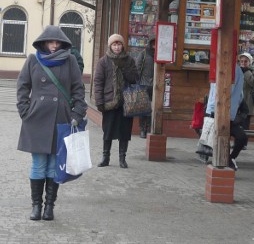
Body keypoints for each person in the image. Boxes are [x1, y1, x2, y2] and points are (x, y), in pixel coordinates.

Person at [16, 25, 87, 221]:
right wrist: (25, 111)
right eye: (50, 42)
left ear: (63, 43)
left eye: (57, 42)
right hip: (36, 119)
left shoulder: (70, 60)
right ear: (44, 43)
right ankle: (36, 207)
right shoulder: (33, 60)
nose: (54, 45)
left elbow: (78, 90)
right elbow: (22, 86)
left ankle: (49, 207)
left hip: (61, 119)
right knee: (38, 164)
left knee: (54, 166)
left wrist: (77, 114)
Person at [93, 34, 139, 168]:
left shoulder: (129, 60)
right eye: (114, 44)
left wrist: (125, 69)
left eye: (119, 44)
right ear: (110, 46)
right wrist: (99, 101)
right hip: (109, 102)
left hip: (126, 103)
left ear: (123, 46)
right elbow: (98, 82)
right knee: (107, 131)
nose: (117, 47)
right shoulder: (104, 61)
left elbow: (135, 78)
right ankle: (105, 157)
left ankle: (122, 159)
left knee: (124, 132)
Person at [205, 63, 247, 171]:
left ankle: (230, 159)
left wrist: (238, 118)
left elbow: (243, 105)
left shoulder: (234, 71)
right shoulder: (226, 69)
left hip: (229, 116)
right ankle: (227, 161)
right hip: (217, 113)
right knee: (222, 137)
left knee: (242, 137)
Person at [135, 35, 156, 138]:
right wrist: (138, 82)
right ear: (150, 43)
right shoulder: (143, 54)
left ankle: (148, 128)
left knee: (152, 109)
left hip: (155, 87)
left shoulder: (159, 55)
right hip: (144, 85)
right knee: (144, 109)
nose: (155, 46)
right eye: (153, 43)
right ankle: (142, 129)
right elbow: (137, 68)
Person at [238, 52, 254, 132]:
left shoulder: (253, 71)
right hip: (238, 100)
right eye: (241, 61)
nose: (243, 63)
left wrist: (246, 72)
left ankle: (244, 142)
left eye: (245, 61)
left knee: (245, 124)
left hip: (248, 101)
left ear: (249, 62)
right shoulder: (237, 70)